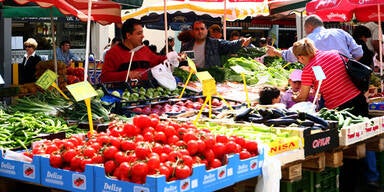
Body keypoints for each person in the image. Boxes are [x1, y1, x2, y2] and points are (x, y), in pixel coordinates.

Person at [291, 38, 375, 191]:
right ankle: (369, 178)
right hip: (358, 100)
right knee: (363, 139)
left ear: (301, 57)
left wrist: (293, 96)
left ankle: (348, 185)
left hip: (340, 109)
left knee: (347, 149)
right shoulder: (334, 54)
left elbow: (302, 97)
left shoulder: (308, 69)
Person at [267, 15, 363, 62]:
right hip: (350, 81)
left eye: (305, 29)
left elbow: (291, 55)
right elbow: (359, 53)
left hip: (324, 82)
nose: (306, 32)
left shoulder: (308, 40)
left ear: (309, 26)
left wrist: (275, 52)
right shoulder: (340, 32)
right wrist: (347, 66)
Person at [100, 19, 167, 83]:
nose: (143, 36)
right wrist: (127, 74)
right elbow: (105, 77)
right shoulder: (113, 53)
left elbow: (158, 60)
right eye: (139, 33)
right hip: (124, 92)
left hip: (147, 91)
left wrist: (170, 57)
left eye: (142, 33)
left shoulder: (144, 50)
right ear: (128, 35)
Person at [180, 20, 251, 68]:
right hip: (192, 79)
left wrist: (241, 41)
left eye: (202, 29)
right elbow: (183, 63)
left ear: (206, 30)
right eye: (197, 29)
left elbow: (229, 45)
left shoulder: (215, 43)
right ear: (193, 31)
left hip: (211, 77)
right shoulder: (187, 46)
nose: (200, 31)